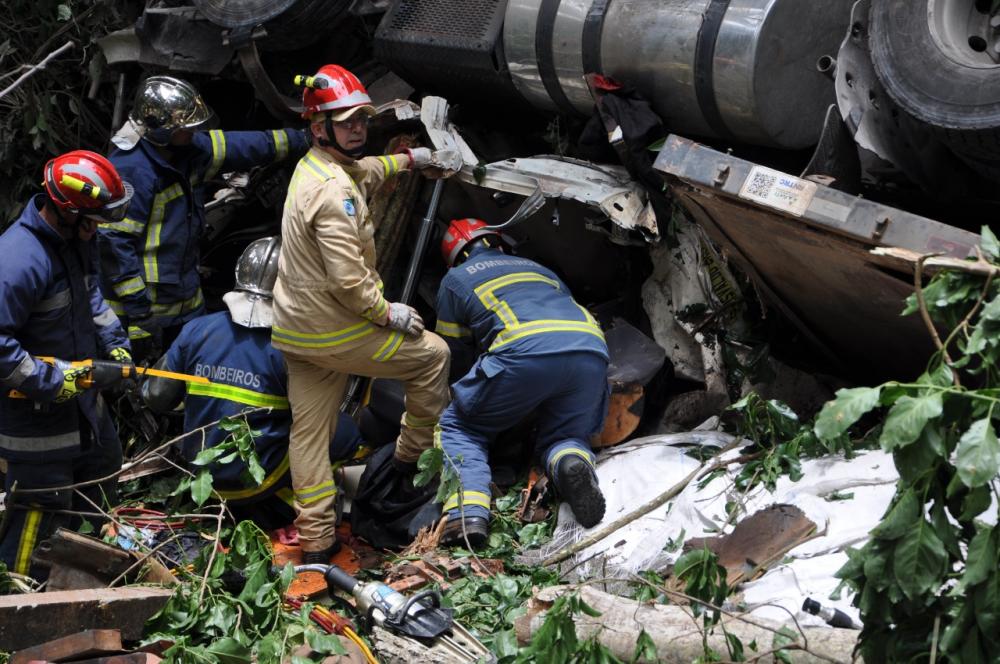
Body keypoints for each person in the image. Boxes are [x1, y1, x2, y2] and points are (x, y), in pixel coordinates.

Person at [272, 64, 451, 563]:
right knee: (432, 355)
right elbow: (349, 283)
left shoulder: (316, 168)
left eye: (361, 119)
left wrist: (412, 160)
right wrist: (387, 312)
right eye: (346, 120)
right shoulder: (331, 193)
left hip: (297, 331)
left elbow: (367, 169)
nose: (357, 128)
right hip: (334, 329)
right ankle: (409, 462)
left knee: (308, 435)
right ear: (318, 127)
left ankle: (316, 541)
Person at [142, 237, 364, 533]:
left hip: (201, 478)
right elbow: (317, 422)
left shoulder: (196, 330)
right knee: (347, 433)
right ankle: (300, 508)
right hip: (262, 484)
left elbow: (156, 397)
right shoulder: (296, 350)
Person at [98, 76, 310, 362]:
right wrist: (138, 310)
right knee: (144, 382)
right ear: (161, 130)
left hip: (185, 298)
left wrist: (304, 139)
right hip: (145, 308)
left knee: (190, 373)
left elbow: (247, 145)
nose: (194, 132)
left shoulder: (190, 152)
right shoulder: (132, 170)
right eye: (186, 128)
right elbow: (114, 245)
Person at [433, 218, 610, 548]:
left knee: (459, 428)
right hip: (591, 349)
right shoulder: (539, 269)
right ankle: (570, 462)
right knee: (566, 433)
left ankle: (466, 514)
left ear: (457, 255)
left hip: (523, 352)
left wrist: (467, 399)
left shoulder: (455, 280)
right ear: (499, 242)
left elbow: (452, 354)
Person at [0, 151, 134, 577]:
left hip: (82, 411)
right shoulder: (18, 259)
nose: (98, 230)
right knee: (38, 514)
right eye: (93, 221)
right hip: (34, 423)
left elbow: (90, 297)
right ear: (66, 212)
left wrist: (116, 345)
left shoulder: (76, 242)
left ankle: (78, 586)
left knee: (100, 482)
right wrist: (56, 379)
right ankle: (18, 602)